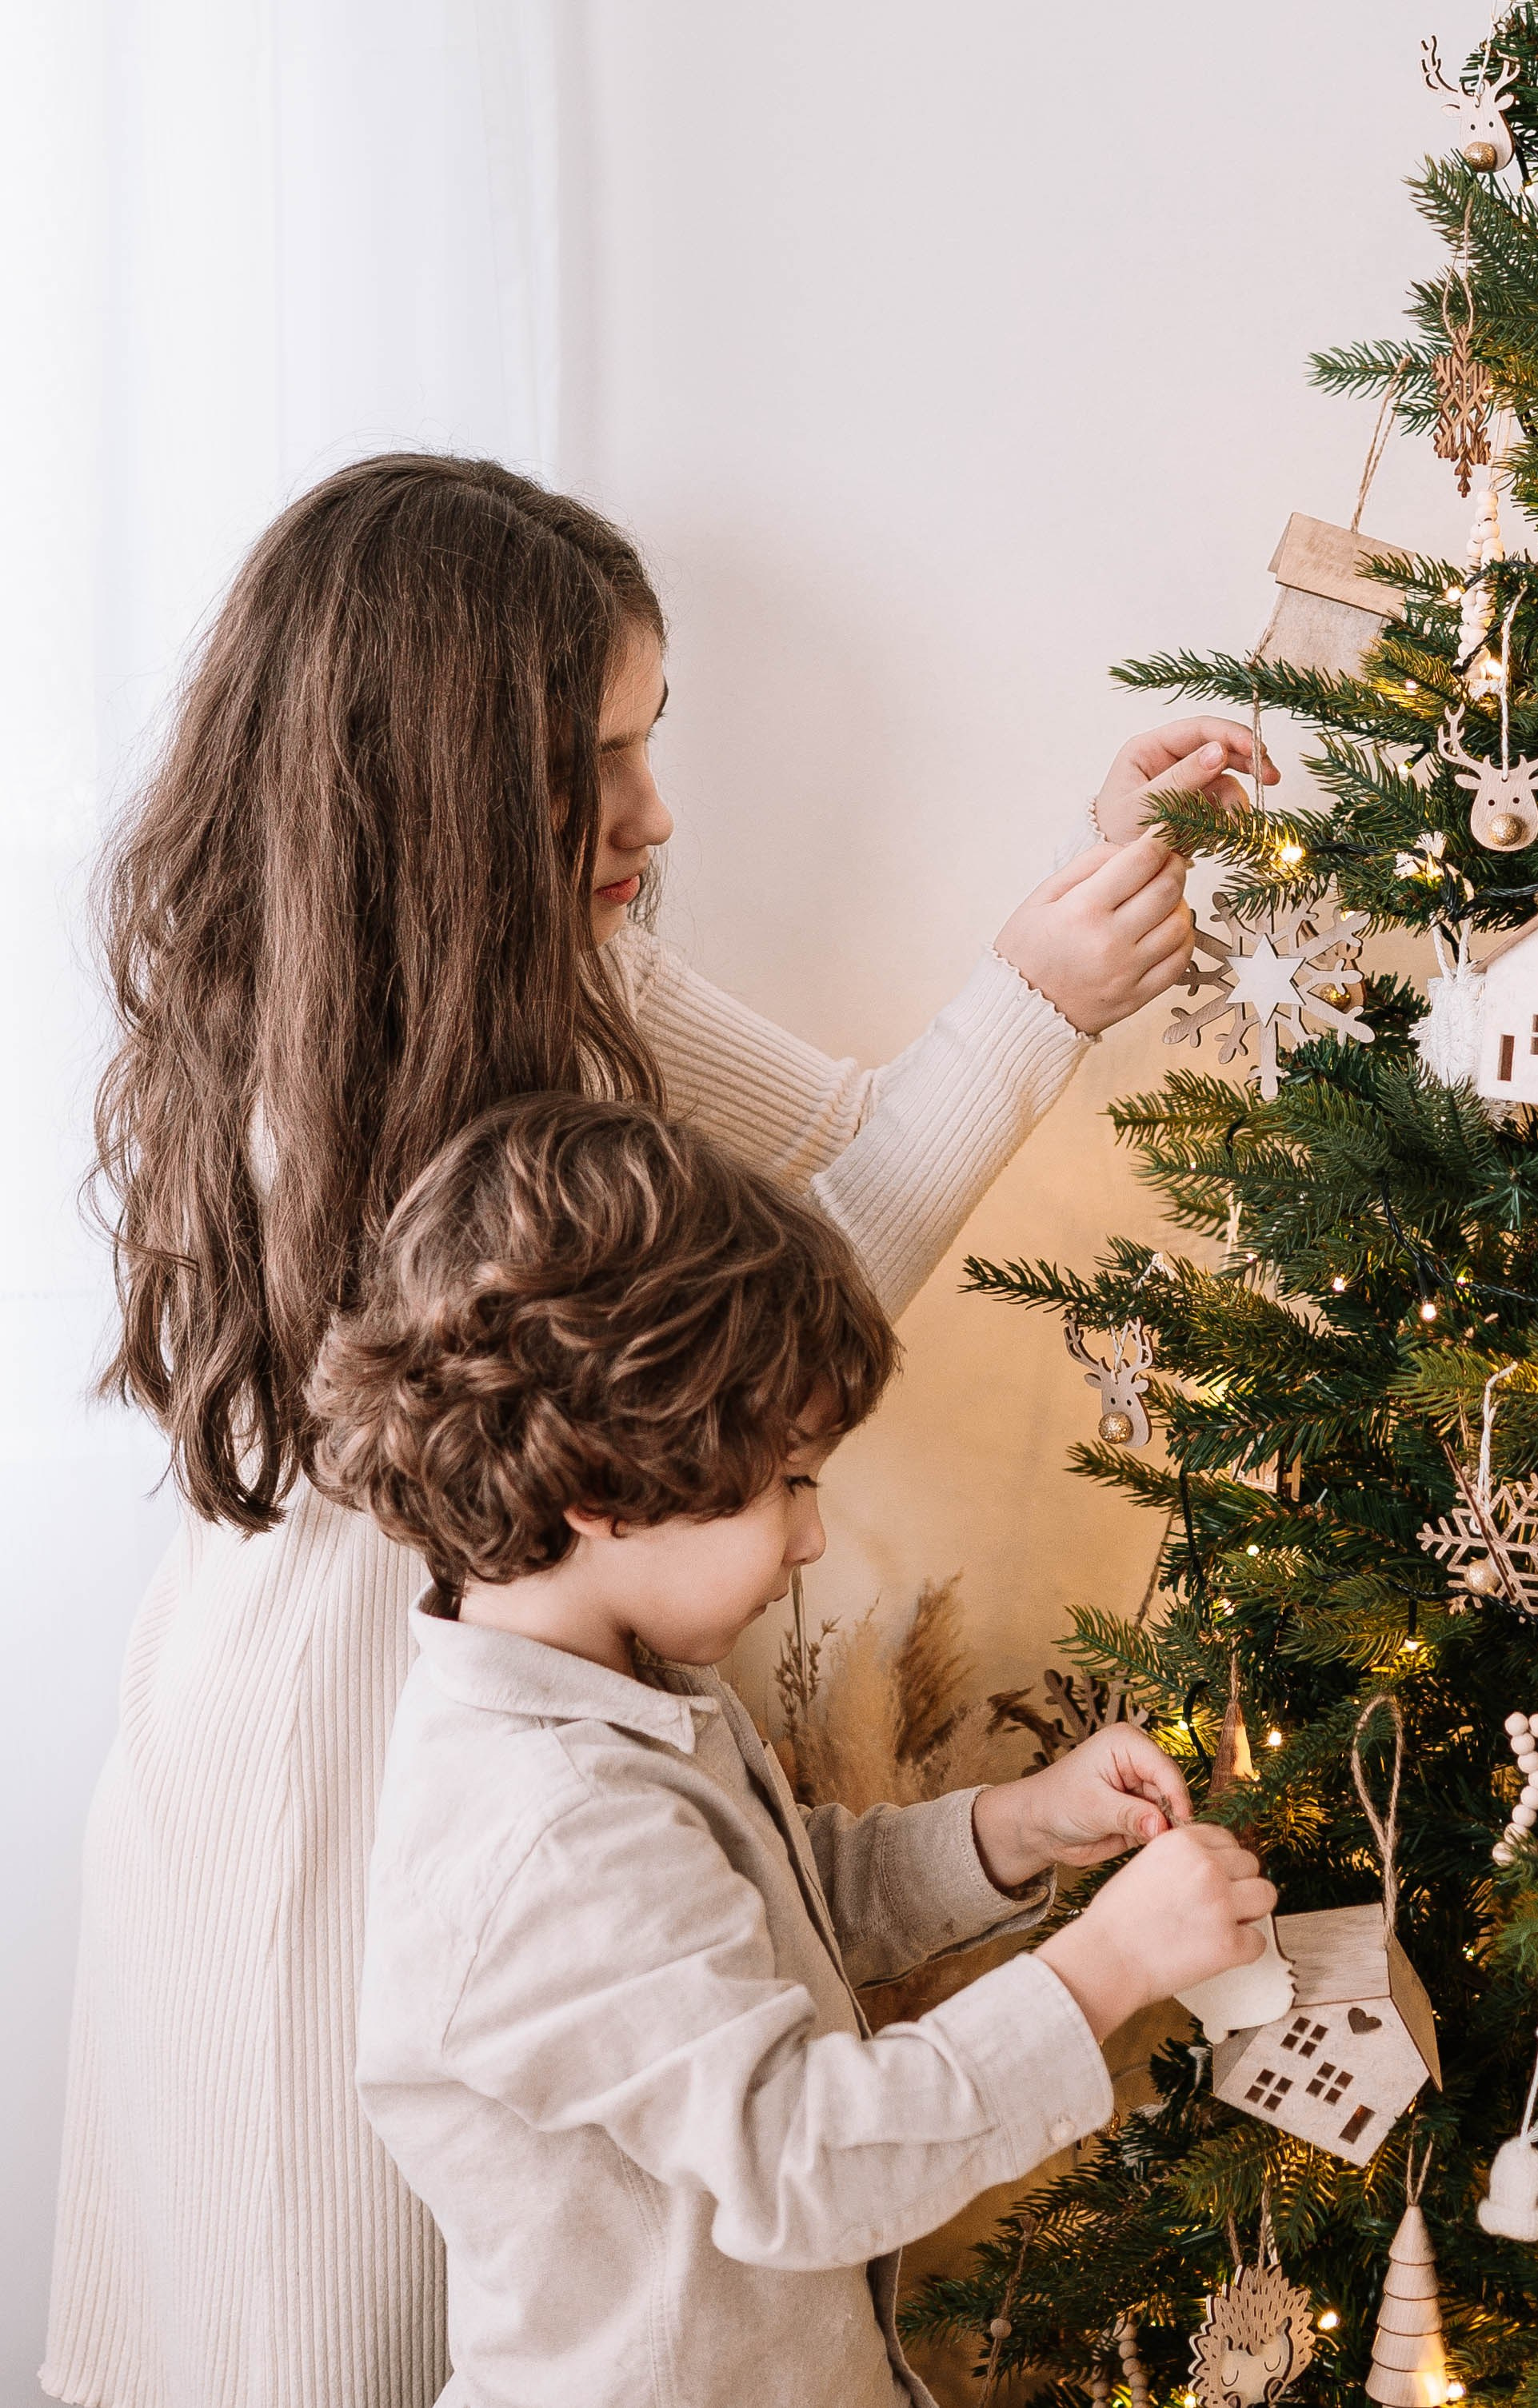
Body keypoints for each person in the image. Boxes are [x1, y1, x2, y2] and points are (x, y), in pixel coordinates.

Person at [43, 453, 1272, 2408]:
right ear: (443, 788)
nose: (652, 810)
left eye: (648, 737)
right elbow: (723, 1348)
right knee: (321, 2331)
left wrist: (1077, 902)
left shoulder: (573, 958)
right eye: (590, 759)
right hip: (308, 1766)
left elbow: (827, 1173)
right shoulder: (323, 1057)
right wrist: (1033, 1007)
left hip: (492, 1689)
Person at [315, 1092, 1272, 2408]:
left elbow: (764, 1911)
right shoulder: (552, 1822)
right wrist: (1103, 1968)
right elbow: (801, 2163)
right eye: (791, 1484)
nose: (812, 1538)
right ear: (602, 1486)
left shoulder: (618, 1697)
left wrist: (1009, 1830)